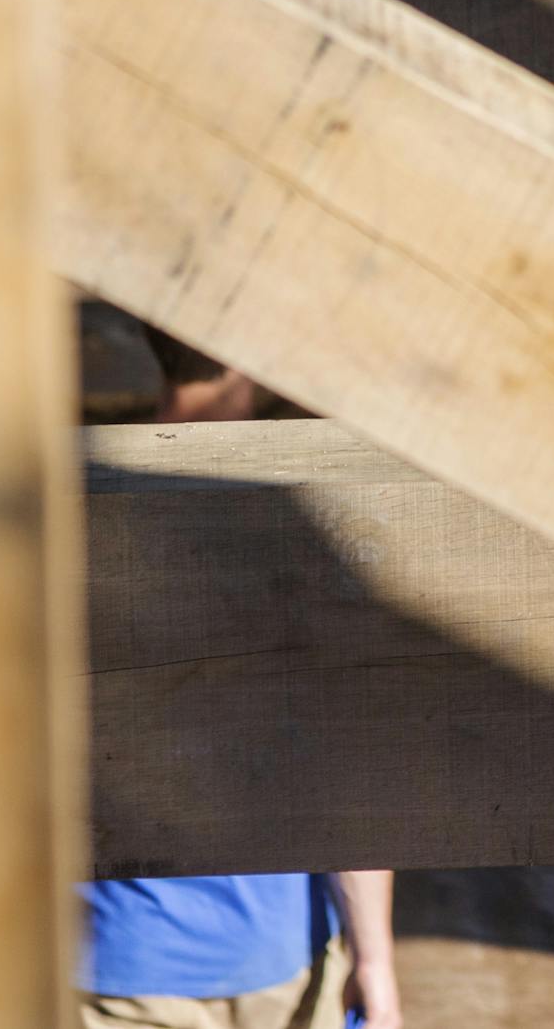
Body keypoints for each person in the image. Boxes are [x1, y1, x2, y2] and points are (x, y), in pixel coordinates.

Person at [82, 333, 403, 1029]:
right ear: (249, 358)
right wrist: (373, 960)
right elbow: (345, 766)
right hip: (277, 959)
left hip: (123, 955)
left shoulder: (76, 501)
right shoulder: (292, 514)